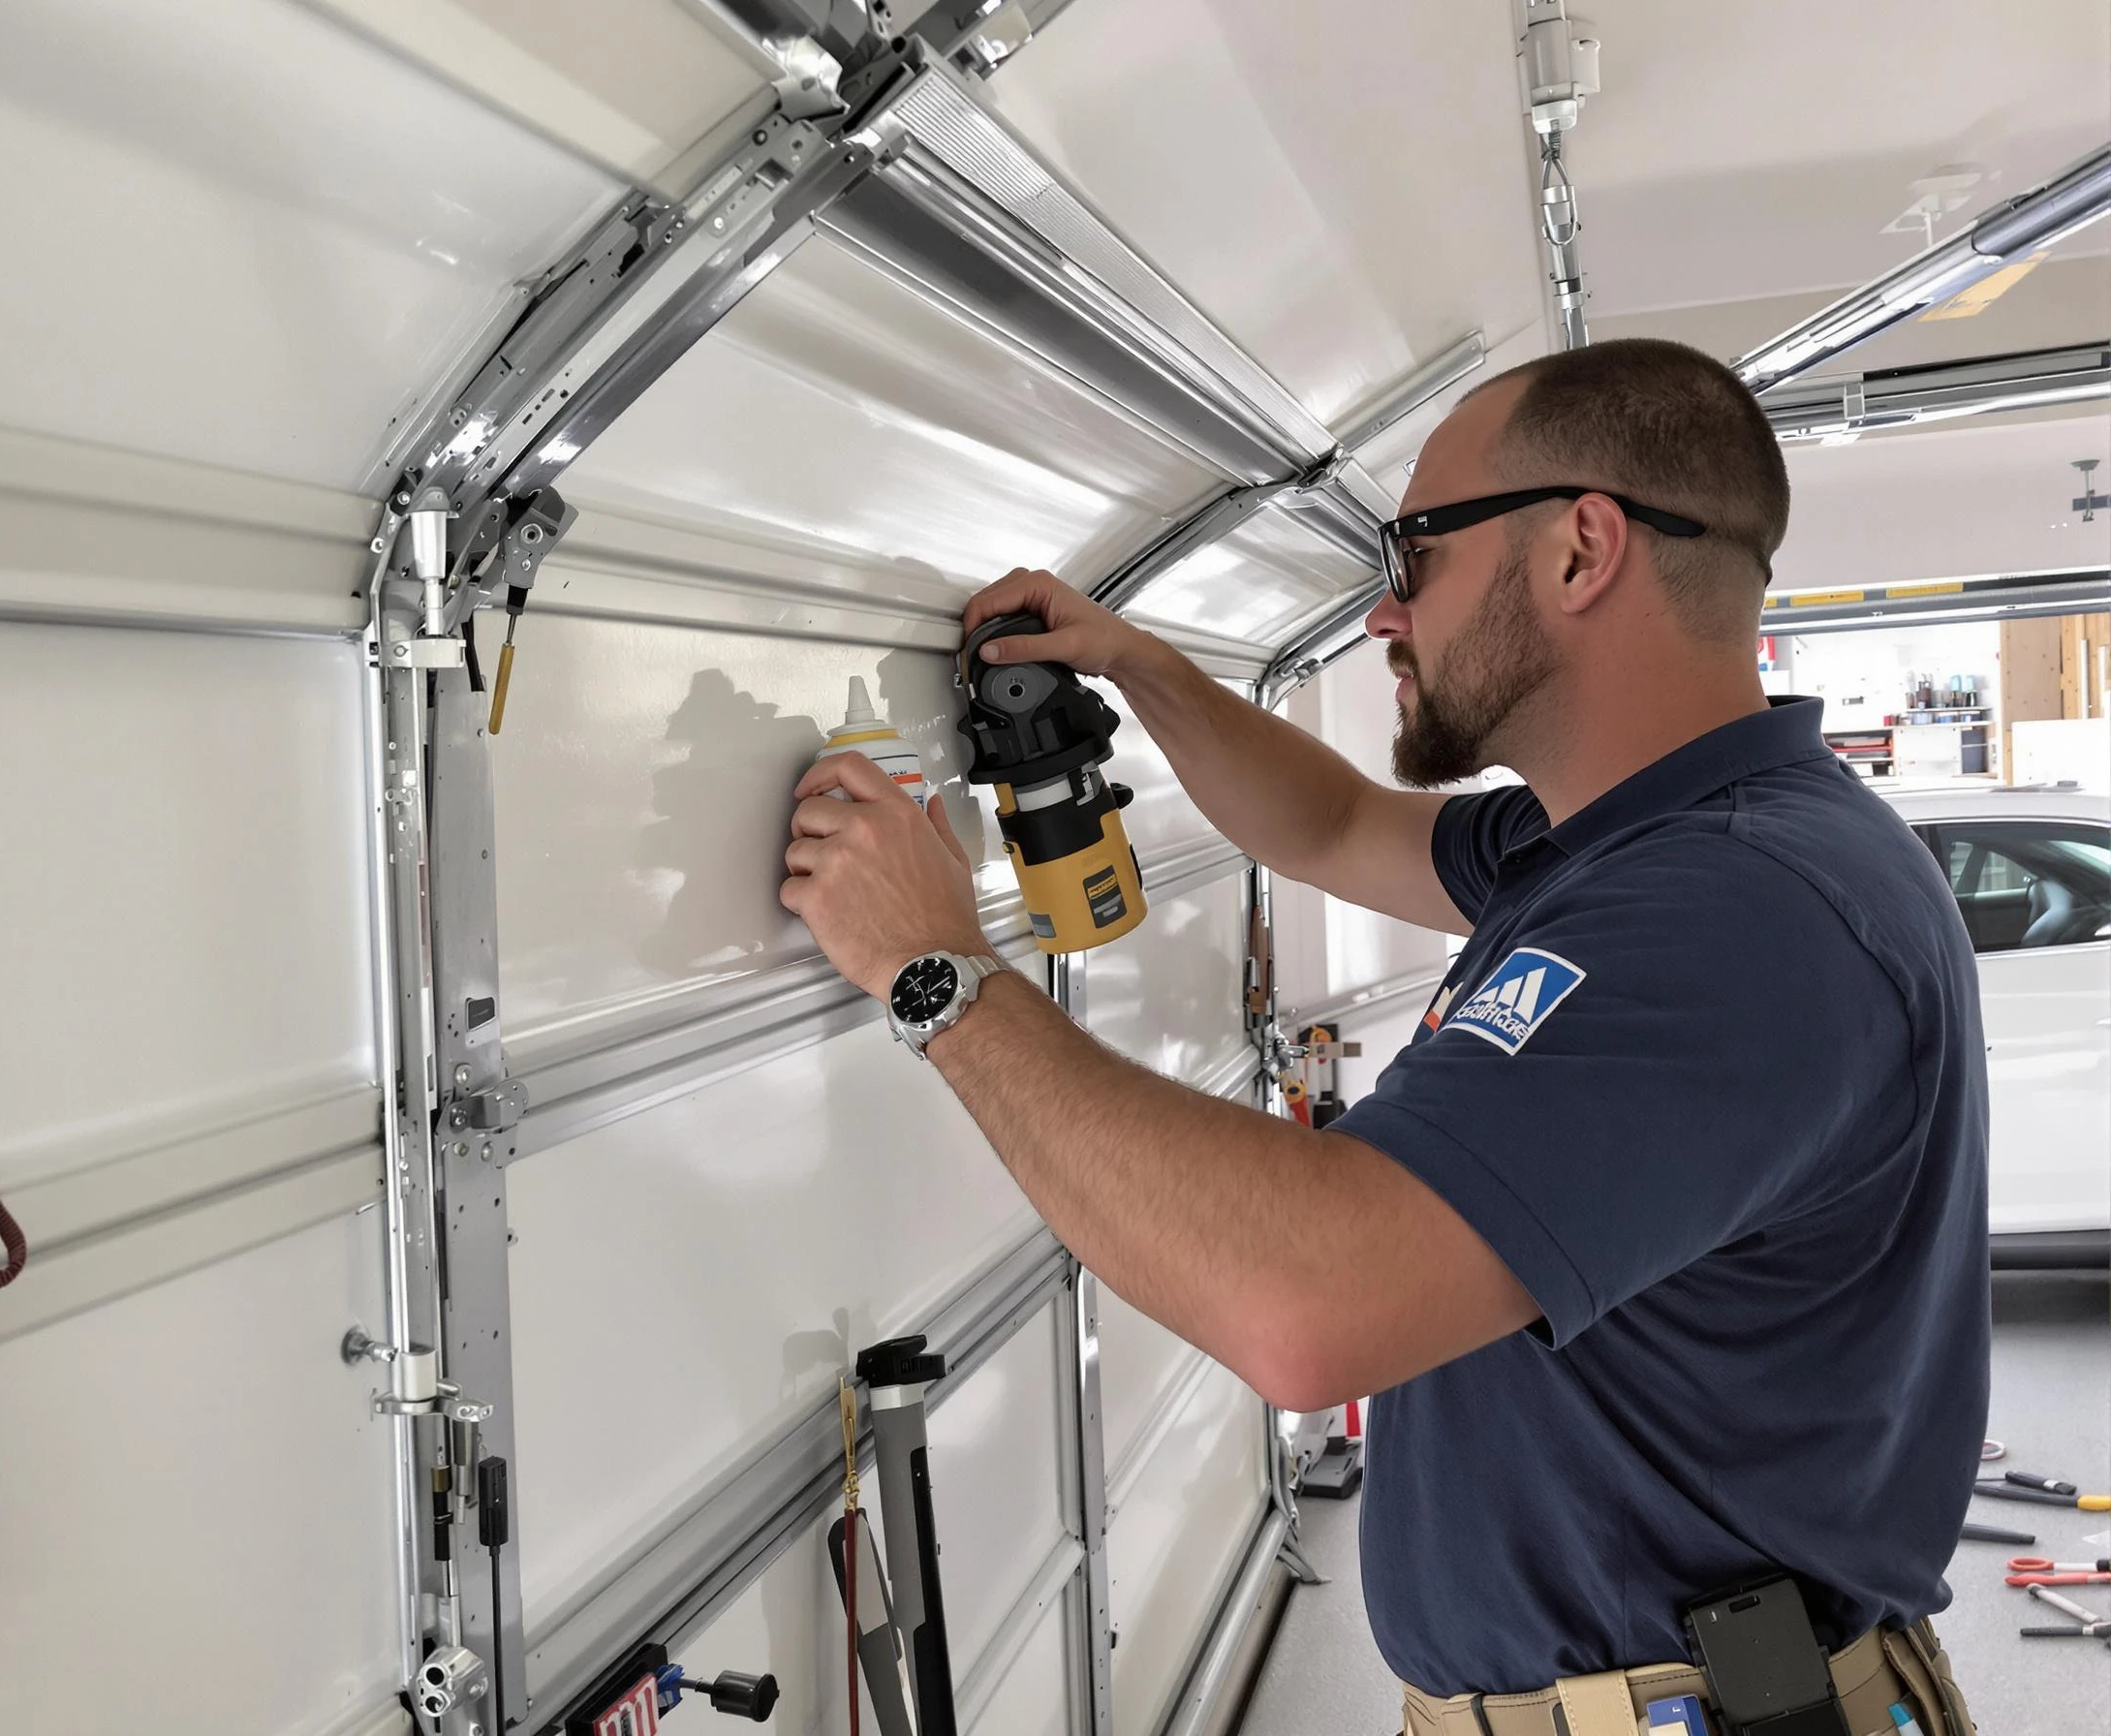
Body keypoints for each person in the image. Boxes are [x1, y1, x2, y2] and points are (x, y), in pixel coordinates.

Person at [780, 338, 1986, 1733]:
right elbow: (1336, 825)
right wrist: (1134, 663)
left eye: (1412, 558)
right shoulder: (1613, 842)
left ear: (1582, 551)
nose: (1380, 617)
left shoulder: (1741, 911)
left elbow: (1306, 1310)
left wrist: (938, 972)